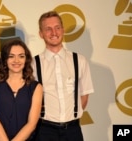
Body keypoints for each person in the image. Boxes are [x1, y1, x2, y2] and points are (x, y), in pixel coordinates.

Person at [33, 11, 94, 141]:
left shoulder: (80, 60)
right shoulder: (32, 64)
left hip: (73, 130)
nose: (54, 33)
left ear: (63, 30)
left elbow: (84, 97)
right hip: (44, 131)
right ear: (41, 34)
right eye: (48, 29)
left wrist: (69, 118)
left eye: (57, 28)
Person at [0, 39, 43, 141]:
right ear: (5, 60)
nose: (16, 60)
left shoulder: (36, 87)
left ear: (26, 59)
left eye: (21, 56)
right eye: (11, 56)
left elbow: (31, 124)